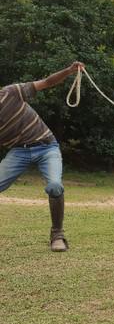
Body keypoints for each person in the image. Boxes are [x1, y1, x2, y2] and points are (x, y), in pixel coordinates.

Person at [0, 62, 85, 252]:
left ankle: (57, 235)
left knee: (55, 186)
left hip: (47, 147)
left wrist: (69, 71)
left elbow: (46, 82)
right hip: (19, 152)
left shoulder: (10, 93)